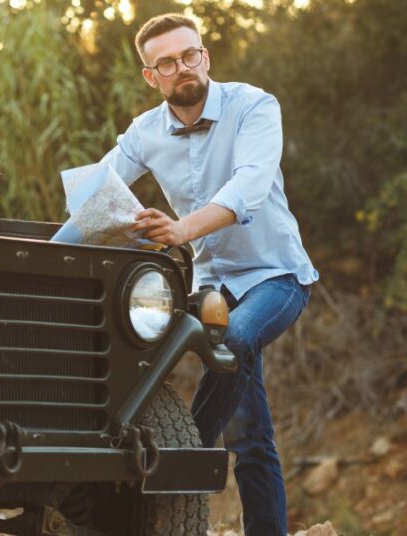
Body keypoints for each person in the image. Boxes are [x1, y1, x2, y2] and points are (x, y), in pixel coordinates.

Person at [99, 13, 318, 536]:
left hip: (276, 277)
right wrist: (119, 229)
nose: (183, 67)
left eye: (190, 54)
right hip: (209, 289)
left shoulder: (254, 106)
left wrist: (179, 230)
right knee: (250, 438)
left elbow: (250, 185)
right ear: (151, 76)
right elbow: (97, 194)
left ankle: (182, 459)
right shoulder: (144, 132)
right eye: (167, 62)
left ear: (206, 56)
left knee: (235, 340)